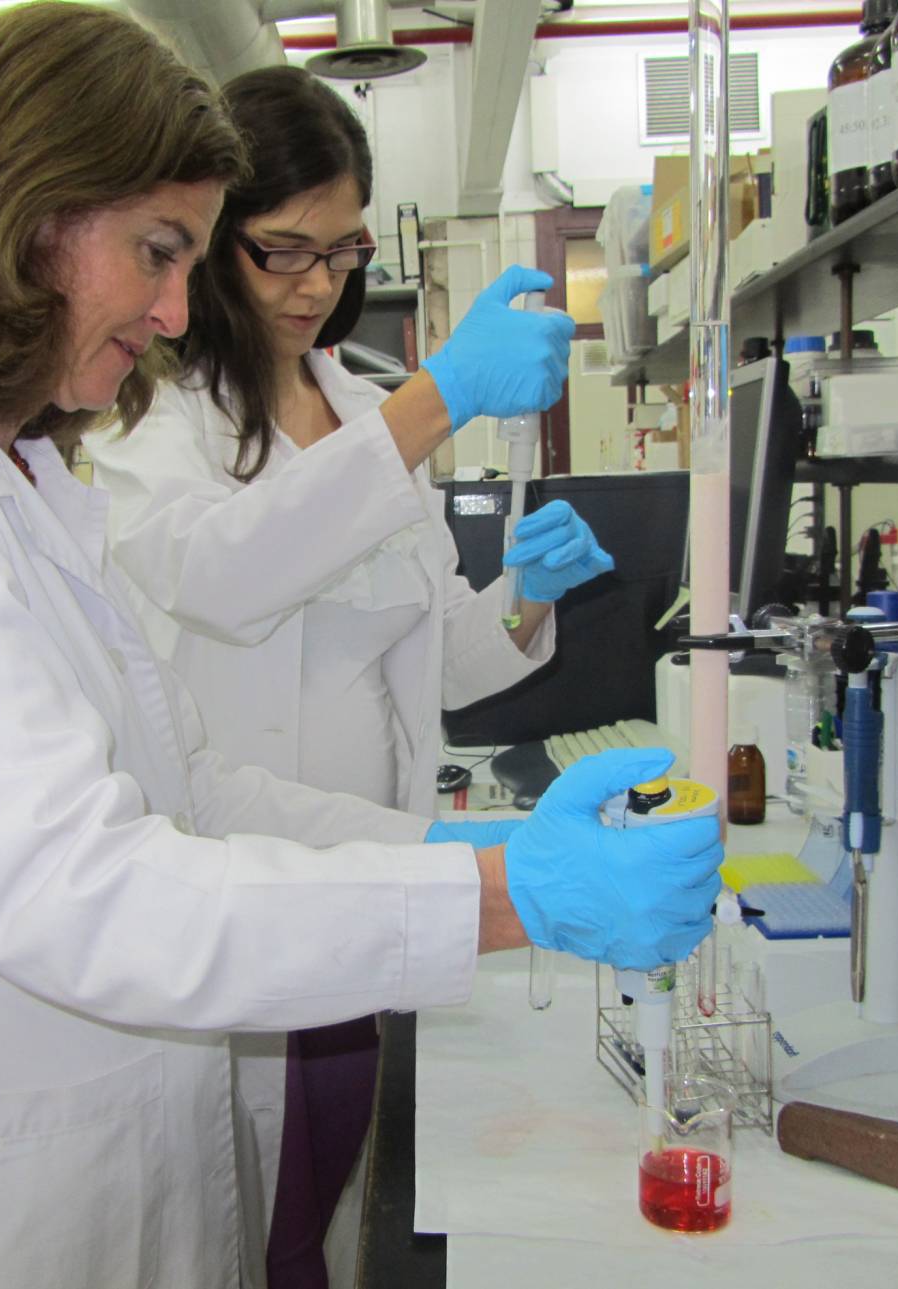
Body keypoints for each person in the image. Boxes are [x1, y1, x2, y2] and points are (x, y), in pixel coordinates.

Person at [0, 9, 722, 1289]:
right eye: (161, 250)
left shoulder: (15, 480)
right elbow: (79, 888)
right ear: (18, 212)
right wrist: (509, 899)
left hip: (113, 1143)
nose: (181, 307)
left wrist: (476, 849)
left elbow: (194, 788)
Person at [85, 65, 613, 1286]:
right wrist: (437, 401)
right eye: (283, 250)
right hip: (246, 896)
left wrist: (529, 596)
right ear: (212, 246)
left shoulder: (354, 405)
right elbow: (226, 570)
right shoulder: (148, 424)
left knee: (327, 1205)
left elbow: (438, 666)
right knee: (250, 1223)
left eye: (343, 249)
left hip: (373, 872)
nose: (319, 284)